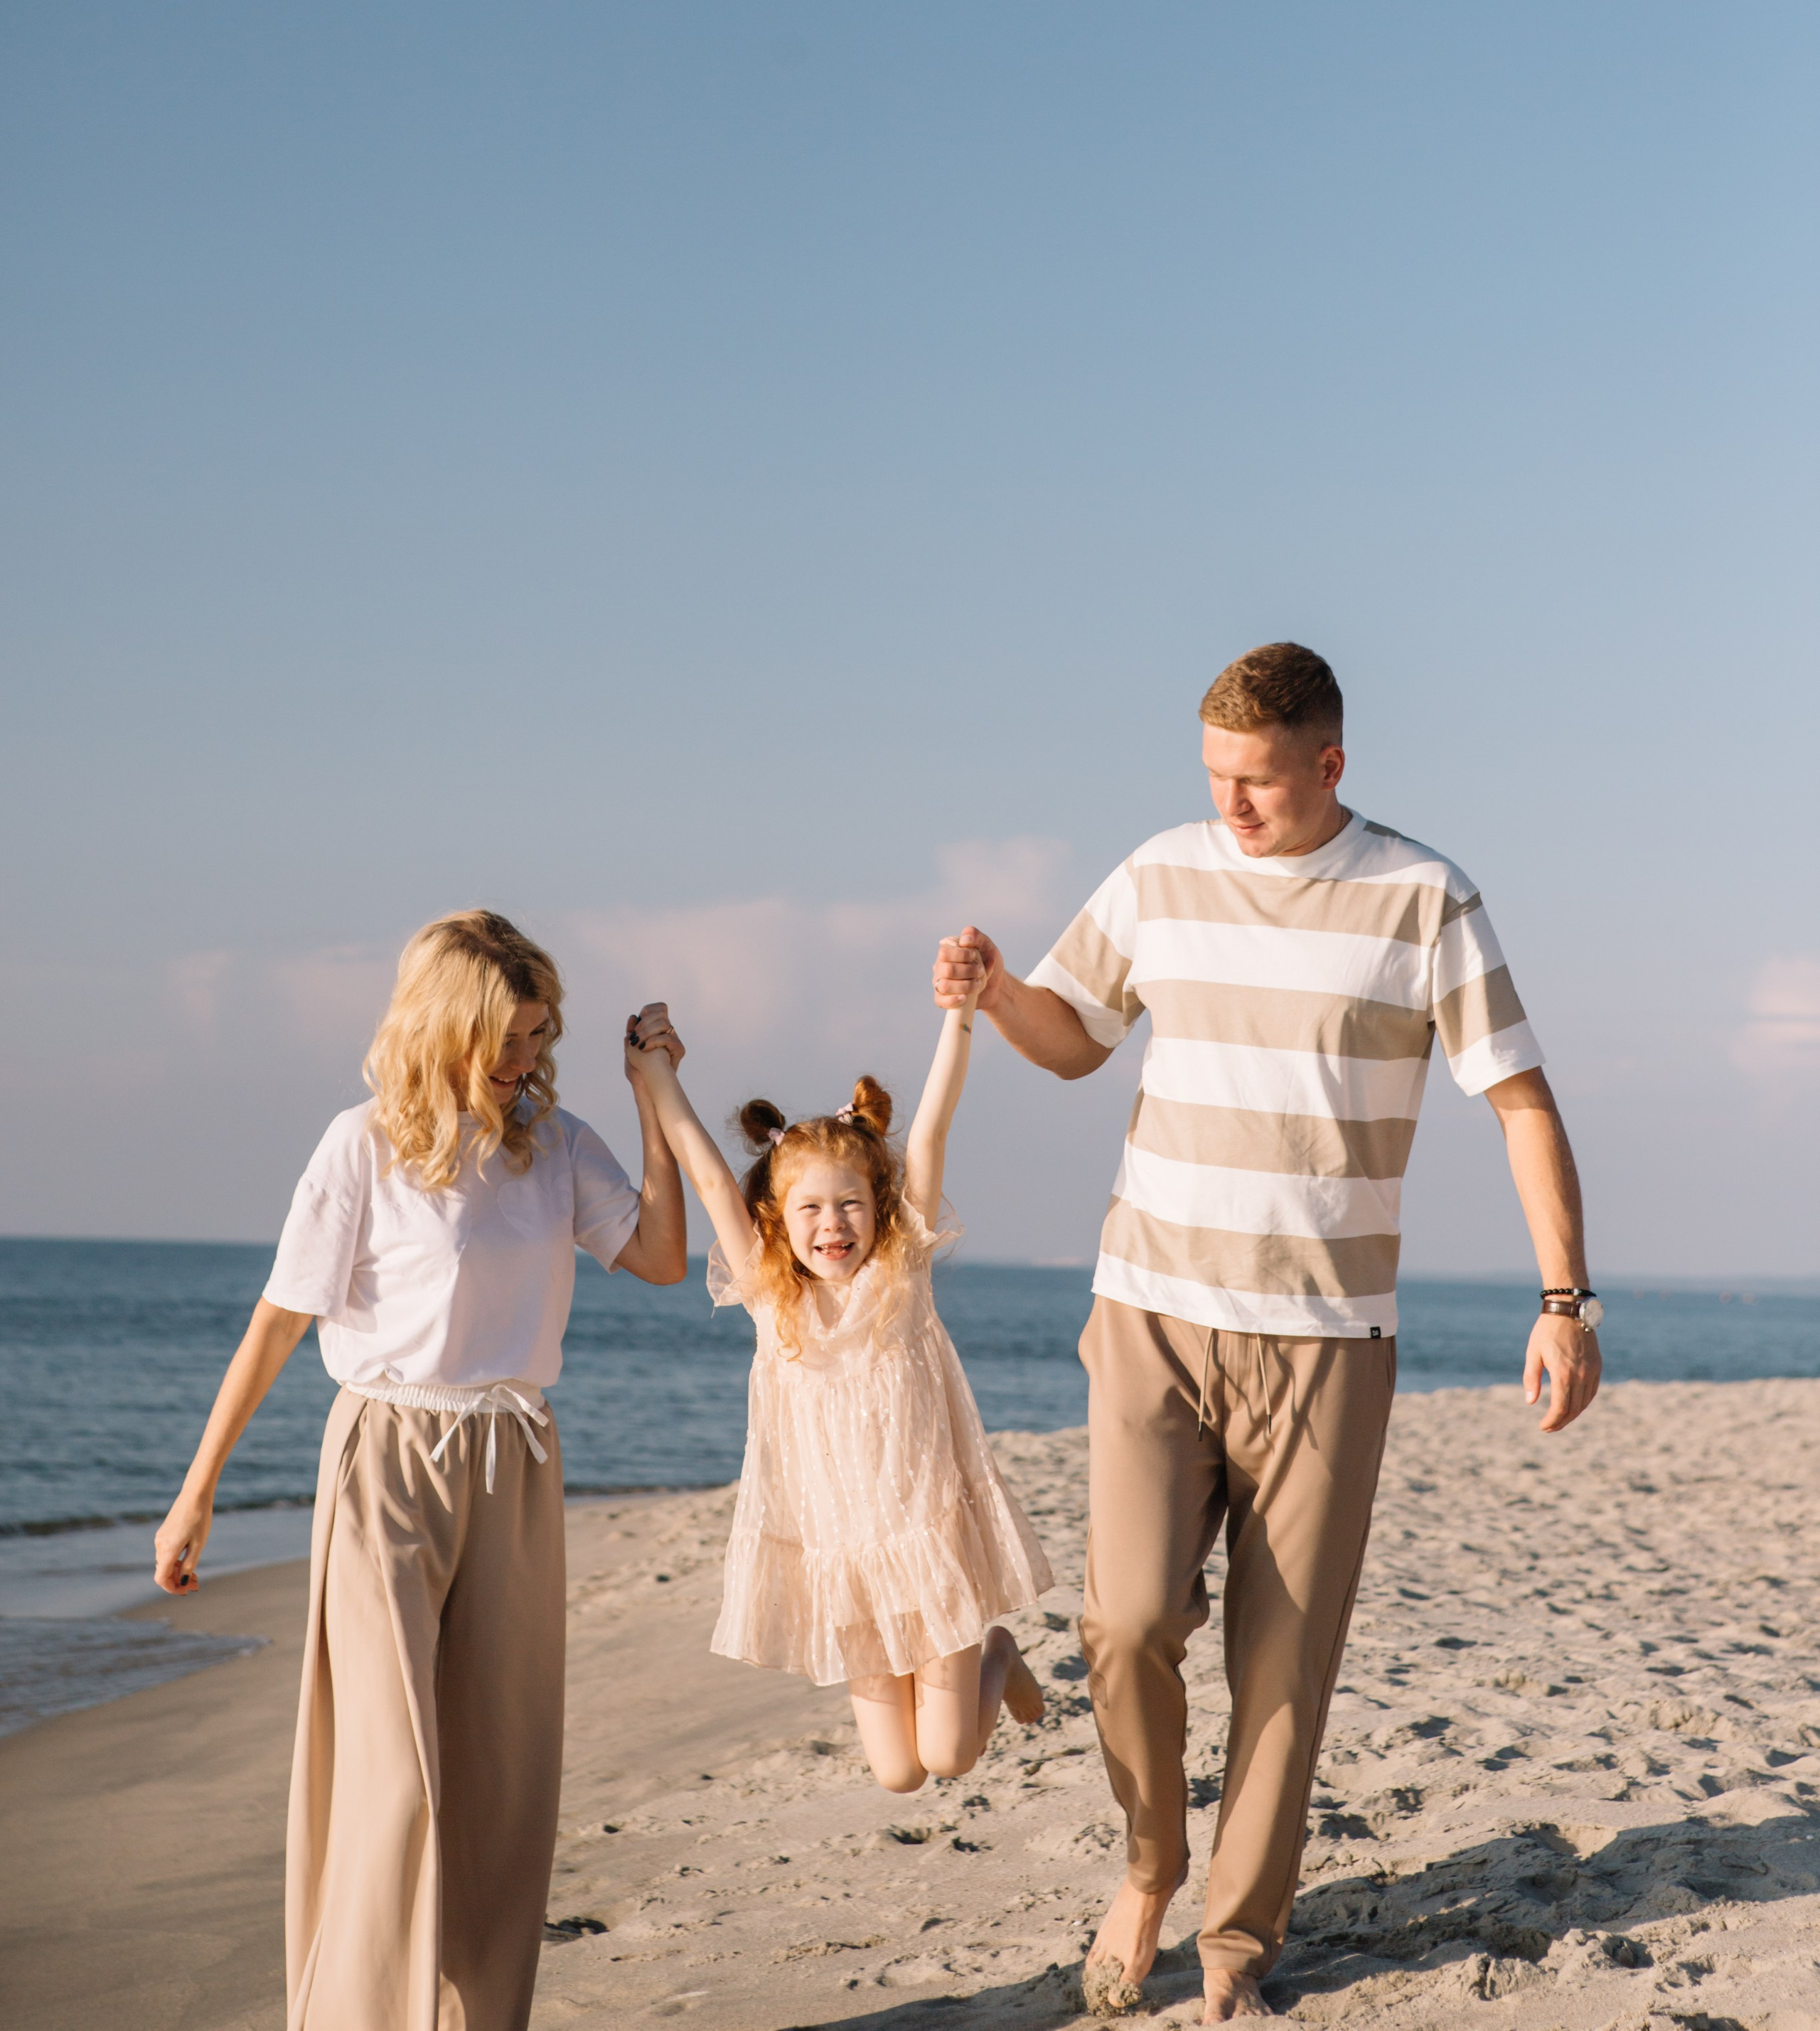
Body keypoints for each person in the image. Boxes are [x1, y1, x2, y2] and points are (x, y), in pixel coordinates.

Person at [931, 643, 1602, 2023]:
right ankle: (1149, 1865)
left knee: (1280, 1668)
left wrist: (1561, 1302)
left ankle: (1235, 1938)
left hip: (1326, 1339)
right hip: (1150, 1313)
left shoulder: (1423, 896)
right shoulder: (1159, 873)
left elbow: (1519, 1101)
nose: (1228, 804)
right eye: (1211, 776)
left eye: (1256, 779)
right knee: (1122, 1623)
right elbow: (1075, 1040)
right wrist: (998, 994)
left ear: (1329, 764)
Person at [153, 911, 688, 2031]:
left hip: (517, 1463)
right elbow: (276, 1323)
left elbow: (660, 1257)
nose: (526, 1059)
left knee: (499, 1782)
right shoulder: (361, 1144)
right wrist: (197, 1492)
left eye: (539, 1036)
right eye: (507, 1037)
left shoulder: (557, 1144)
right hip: (387, 1461)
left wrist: (653, 1098)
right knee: (393, 1780)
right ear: (445, 1027)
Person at [622, 986, 1052, 1791]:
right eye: (811, 1209)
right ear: (777, 1220)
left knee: (949, 1756)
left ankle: (998, 1653)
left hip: (929, 1540)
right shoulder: (768, 1294)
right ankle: (983, 1667)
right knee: (899, 1775)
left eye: (851, 1204)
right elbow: (710, 1180)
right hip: (844, 1558)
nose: (833, 1225)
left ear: (879, 1207)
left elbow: (931, 1127)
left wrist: (960, 1013)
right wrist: (657, 1074)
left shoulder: (901, 1272)